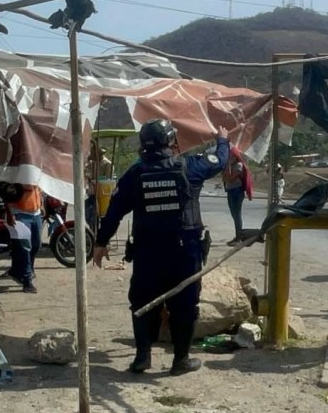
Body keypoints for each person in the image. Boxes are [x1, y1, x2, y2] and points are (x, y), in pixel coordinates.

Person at [93, 121, 228, 376]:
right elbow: (219, 161)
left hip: (148, 252)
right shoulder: (190, 167)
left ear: (143, 145)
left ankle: (143, 356)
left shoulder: (135, 174)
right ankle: (181, 360)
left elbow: (113, 212)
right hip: (184, 253)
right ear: (170, 141)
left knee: (143, 302)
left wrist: (101, 242)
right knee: (185, 305)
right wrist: (223, 140)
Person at [3, 182, 42, 293]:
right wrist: (10, 213)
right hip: (20, 213)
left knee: (36, 245)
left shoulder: (36, 172)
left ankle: (18, 270)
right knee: (25, 248)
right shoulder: (19, 171)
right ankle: (27, 279)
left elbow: (38, 190)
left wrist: (41, 205)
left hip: (36, 213)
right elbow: (8, 191)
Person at [221, 146, 253, 244]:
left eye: (231, 155)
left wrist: (229, 168)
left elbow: (231, 178)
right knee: (233, 214)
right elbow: (224, 177)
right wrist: (228, 166)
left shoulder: (239, 165)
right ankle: (237, 236)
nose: (230, 157)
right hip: (230, 190)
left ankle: (239, 238)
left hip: (237, 191)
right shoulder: (229, 165)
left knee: (237, 214)